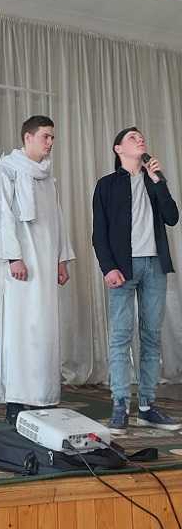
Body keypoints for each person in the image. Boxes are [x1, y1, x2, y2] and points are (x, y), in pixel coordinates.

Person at [0, 115, 75, 425]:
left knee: (44, 331)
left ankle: (41, 397)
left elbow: (57, 219)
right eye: (45, 136)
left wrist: (61, 259)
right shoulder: (8, 170)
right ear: (28, 137)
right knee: (21, 330)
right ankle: (16, 399)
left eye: (52, 138)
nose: (50, 143)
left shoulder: (48, 178)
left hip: (46, 263)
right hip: (22, 265)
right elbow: (0, 215)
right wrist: (13, 257)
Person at [92, 127, 180, 433]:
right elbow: (99, 233)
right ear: (118, 149)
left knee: (151, 336)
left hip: (155, 266)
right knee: (120, 336)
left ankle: (146, 407)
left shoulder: (154, 180)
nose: (140, 139)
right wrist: (108, 268)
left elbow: (172, 217)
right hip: (122, 268)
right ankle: (120, 405)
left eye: (141, 136)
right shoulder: (106, 185)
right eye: (132, 137)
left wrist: (159, 182)